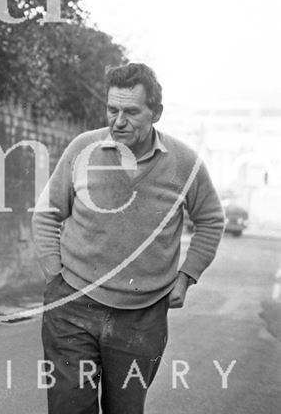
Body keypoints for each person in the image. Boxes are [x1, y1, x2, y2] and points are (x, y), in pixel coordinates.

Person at [32, 62, 225, 414]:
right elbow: (47, 212)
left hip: (142, 317)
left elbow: (211, 220)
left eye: (131, 111)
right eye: (112, 109)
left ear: (157, 113)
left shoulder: (185, 163)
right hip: (73, 306)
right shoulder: (82, 149)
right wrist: (54, 276)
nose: (118, 121)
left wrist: (186, 276)